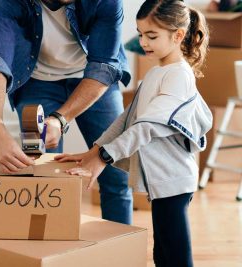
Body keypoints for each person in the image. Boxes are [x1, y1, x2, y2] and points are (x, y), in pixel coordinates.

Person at [55, 0, 212, 266]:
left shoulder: (178, 76)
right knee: (162, 252)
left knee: (175, 255)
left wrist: (104, 157)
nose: (143, 42)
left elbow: (146, 126)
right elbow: (127, 120)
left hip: (174, 181)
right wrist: (94, 151)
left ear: (178, 36)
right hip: (162, 182)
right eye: (140, 34)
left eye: (152, 36)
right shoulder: (156, 73)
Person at [0, 0, 133, 224]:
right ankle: (50, 252)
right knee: (43, 175)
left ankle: (121, 256)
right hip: (36, 83)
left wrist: (60, 120)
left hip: (94, 82)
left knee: (116, 173)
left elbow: (104, 66)